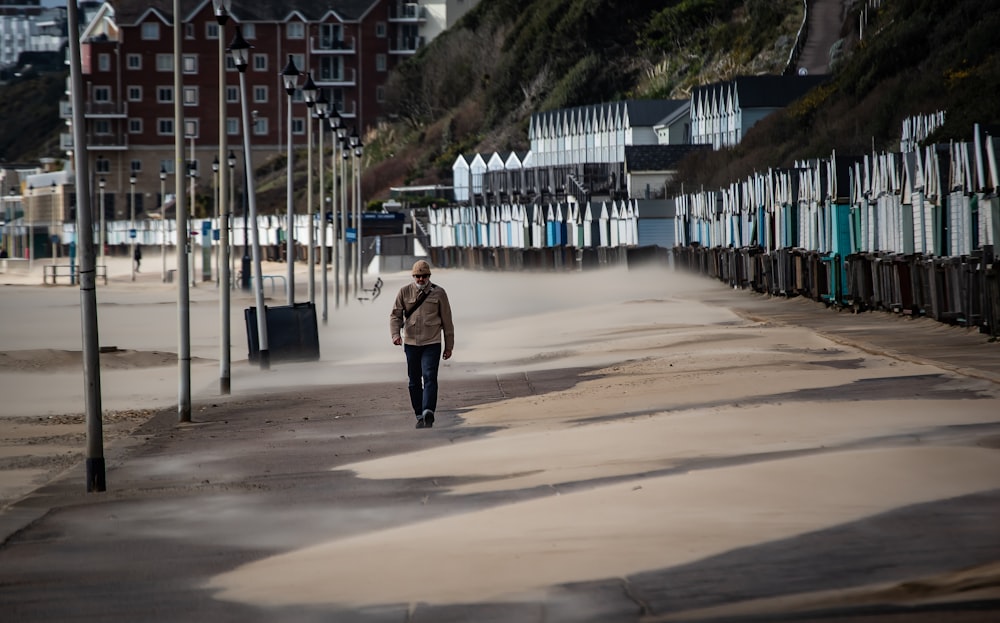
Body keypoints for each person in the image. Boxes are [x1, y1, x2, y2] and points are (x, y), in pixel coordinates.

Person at [390, 259, 454, 429]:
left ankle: (428, 411)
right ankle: (419, 414)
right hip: (411, 343)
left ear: (429, 276)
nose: (421, 279)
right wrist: (395, 335)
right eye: (418, 276)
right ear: (413, 276)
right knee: (413, 380)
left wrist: (449, 346)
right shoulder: (404, 292)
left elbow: (447, 321)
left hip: (432, 341)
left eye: (424, 276)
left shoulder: (439, 293)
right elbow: (395, 315)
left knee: (430, 376)